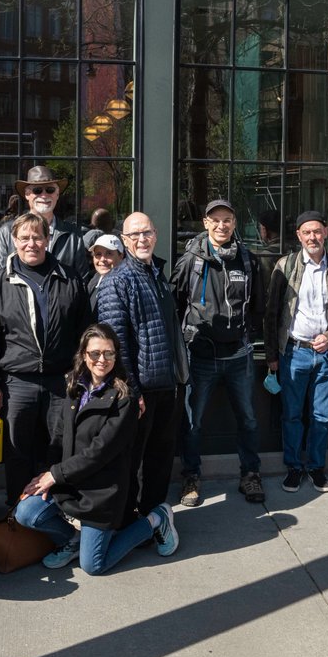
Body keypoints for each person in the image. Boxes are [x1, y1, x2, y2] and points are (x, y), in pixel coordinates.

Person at [14, 324, 180, 574]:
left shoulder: (125, 399)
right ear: (83, 355)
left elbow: (100, 452)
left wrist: (55, 475)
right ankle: (72, 539)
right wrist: (45, 474)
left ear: (116, 356)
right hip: (69, 482)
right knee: (26, 512)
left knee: (93, 566)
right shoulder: (74, 387)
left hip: (102, 492)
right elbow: (58, 437)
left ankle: (156, 520)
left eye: (108, 353)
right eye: (95, 353)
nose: (101, 360)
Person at [0, 213, 90, 505]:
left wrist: (80, 374)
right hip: (18, 382)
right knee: (17, 452)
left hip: (60, 379)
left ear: (47, 239)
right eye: (25, 238)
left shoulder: (69, 278)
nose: (32, 243)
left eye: (37, 237)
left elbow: (84, 330)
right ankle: (18, 511)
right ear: (14, 241)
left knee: (59, 448)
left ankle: (56, 510)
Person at [171, 198, 265, 506]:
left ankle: (250, 475)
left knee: (249, 420)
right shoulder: (190, 261)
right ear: (205, 223)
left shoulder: (248, 260)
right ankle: (191, 477)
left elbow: (258, 306)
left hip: (239, 356)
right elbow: (175, 303)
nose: (222, 225)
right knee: (193, 423)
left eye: (227, 220)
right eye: (216, 220)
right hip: (201, 356)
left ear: (234, 224)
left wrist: (248, 335)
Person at [96, 212, 188, 520]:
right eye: (134, 235)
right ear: (124, 241)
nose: (141, 239)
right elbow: (115, 346)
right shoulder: (117, 281)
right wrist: (133, 392)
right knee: (131, 461)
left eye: (146, 232)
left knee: (160, 459)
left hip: (166, 385)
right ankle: (125, 522)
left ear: (156, 234)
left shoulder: (157, 275)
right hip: (140, 392)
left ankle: (153, 518)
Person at [264, 211, 328, 494]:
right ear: (299, 236)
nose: (313, 237)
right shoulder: (286, 265)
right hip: (294, 352)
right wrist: (272, 357)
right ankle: (294, 467)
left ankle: (316, 468)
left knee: (322, 416)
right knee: (292, 415)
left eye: (317, 231)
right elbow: (271, 313)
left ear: (325, 232)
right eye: (307, 232)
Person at [0, 166, 90, 281]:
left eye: (50, 190)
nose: (44, 195)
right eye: (37, 190)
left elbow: (81, 280)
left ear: (57, 194)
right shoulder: (7, 231)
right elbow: (1, 279)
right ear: (27, 194)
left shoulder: (73, 235)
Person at [86, 233, 124, 312]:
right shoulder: (93, 281)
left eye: (109, 253)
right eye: (98, 254)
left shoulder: (125, 285)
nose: (102, 259)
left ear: (121, 256)